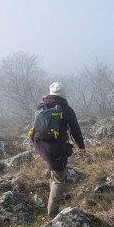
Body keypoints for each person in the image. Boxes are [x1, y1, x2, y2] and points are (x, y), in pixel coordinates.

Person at [31, 82, 86, 217]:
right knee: (59, 178)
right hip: (56, 147)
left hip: (41, 145)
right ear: (63, 93)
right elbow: (75, 130)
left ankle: (51, 201)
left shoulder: (41, 106)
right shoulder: (66, 109)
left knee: (54, 172)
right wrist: (81, 145)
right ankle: (53, 212)